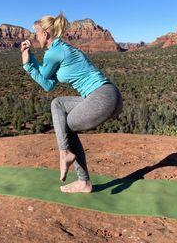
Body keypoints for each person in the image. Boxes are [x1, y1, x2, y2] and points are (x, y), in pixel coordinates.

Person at [20, 12, 123, 193]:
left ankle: (66, 155)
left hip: (101, 97)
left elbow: (43, 75)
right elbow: (49, 84)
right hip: (108, 95)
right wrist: (31, 62)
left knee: (65, 124)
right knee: (58, 104)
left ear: (45, 34)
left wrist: (28, 63)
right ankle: (82, 180)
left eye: (36, 32)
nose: (35, 36)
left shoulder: (54, 53)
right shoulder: (62, 50)